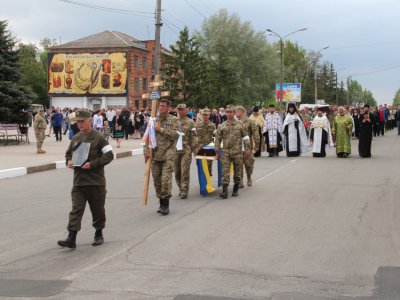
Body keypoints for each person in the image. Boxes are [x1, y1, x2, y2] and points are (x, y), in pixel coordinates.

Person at [58, 110, 114, 249]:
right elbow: (68, 154)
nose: (80, 124)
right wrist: (69, 162)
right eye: (78, 122)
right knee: (76, 210)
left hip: (95, 182)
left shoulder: (99, 137)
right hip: (79, 182)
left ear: (90, 121)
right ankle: (71, 237)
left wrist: (93, 164)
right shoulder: (76, 138)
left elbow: (109, 155)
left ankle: (98, 233)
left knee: (97, 210)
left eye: (82, 121)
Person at [143, 99, 179, 215]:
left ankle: (166, 204)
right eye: (160, 106)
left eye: (164, 106)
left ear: (169, 108)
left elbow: (176, 135)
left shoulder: (173, 120)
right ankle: (161, 202)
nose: (161, 108)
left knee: (165, 180)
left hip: (168, 154)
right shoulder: (153, 120)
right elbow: (147, 136)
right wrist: (146, 152)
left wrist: (161, 129)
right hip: (155, 154)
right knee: (157, 181)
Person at [214, 105, 250, 198]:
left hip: (237, 152)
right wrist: (217, 151)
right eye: (228, 112)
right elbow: (217, 139)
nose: (229, 114)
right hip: (226, 152)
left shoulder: (240, 124)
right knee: (225, 171)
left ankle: (235, 188)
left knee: (238, 171)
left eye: (231, 112)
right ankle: (224, 191)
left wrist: (247, 148)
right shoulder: (222, 125)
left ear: (234, 113)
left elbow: (245, 137)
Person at [174, 104, 196, 199]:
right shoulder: (174, 122)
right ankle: (180, 187)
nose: (180, 111)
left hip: (186, 149)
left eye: (182, 110)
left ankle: (184, 190)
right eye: (179, 110)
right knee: (177, 171)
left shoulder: (191, 122)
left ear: (186, 110)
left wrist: (194, 148)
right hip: (175, 150)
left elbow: (194, 136)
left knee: (184, 171)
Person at [236, 106, 259, 187]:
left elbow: (255, 133)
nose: (235, 113)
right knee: (239, 165)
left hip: (247, 146)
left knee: (248, 164)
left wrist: (257, 144)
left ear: (241, 112)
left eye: (237, 111)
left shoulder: (250, 121)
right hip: (237, 147)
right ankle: (240, 181)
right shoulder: (235, 122)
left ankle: (249, 176)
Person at [195, 108, 216, 176]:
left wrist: (215, 147)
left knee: (209, 165)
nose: (205, 116)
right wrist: (194, 147)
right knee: (200, 165)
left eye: (206, 115)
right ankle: (203, 182)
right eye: (204, 115)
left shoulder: (212, 125)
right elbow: (194, 136)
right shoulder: (197, 125)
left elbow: (215, 137)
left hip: (209, 147)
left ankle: (208, 179)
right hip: (200, 147)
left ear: (209, 115)